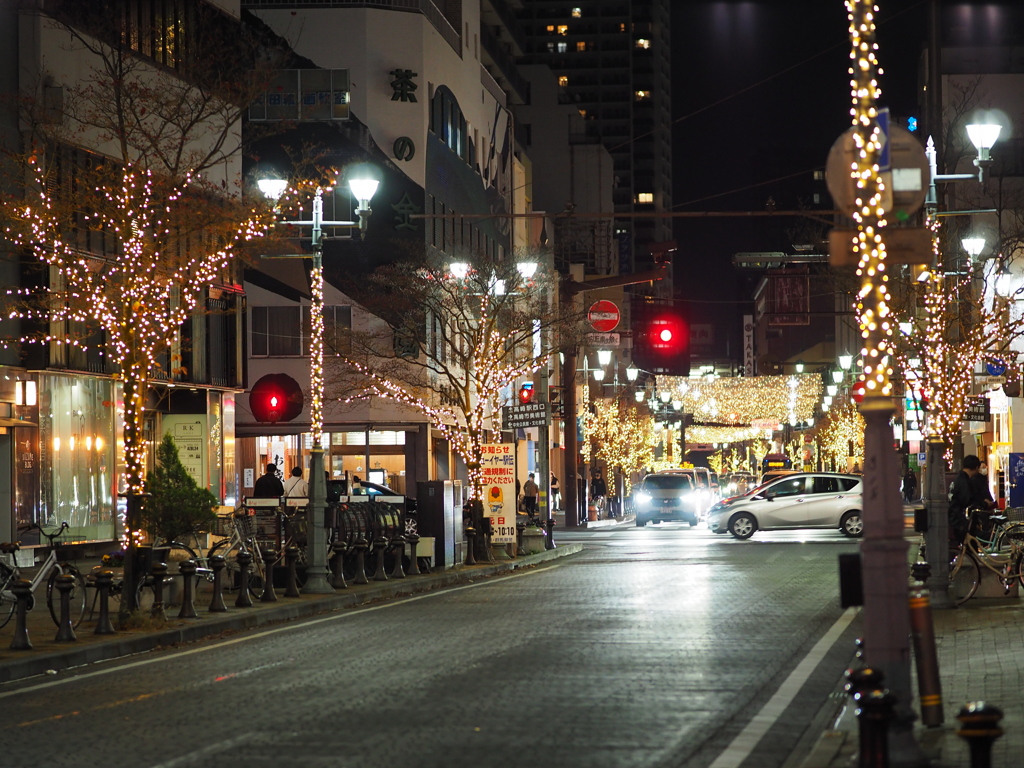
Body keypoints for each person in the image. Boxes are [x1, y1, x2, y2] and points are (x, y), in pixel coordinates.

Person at [948, 454, 994, 545]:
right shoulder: (964, 482)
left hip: (955, 517)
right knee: (971, 543)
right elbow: (968, 501)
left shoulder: (959, 479)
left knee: (970, 546)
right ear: (976, 468)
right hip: (959, 519)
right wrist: (984, 504)